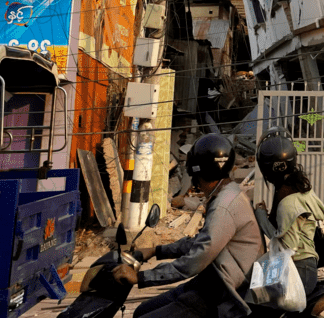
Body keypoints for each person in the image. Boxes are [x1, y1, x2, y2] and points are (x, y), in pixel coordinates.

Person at [112, 133, 262, 318]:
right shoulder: (228, 194)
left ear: (200, 174)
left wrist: (142, 277)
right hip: (209, 282)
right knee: (142, 310)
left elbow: (197, 258)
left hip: (221, 294)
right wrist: (156, 251)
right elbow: (202, 241)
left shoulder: (224, 205)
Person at [255, 127, 324, 296]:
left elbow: (286, 244)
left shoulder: (287, 203)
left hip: (297, 269)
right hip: (307, 267)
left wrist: (260, 216)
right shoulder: (301, 189)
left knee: (255, 298)